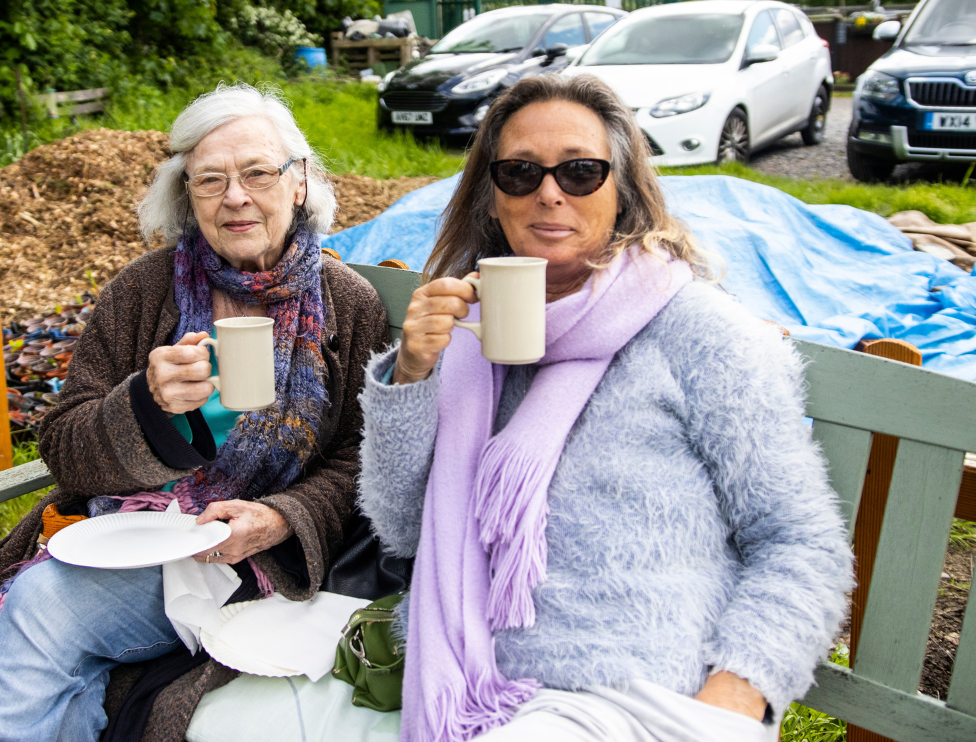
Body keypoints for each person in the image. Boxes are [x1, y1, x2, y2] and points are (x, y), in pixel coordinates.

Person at [357, 73, 853, 742]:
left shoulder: (701, 334)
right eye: (520, 172)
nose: (549, 193)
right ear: (490, 195)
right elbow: (405, 532)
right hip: (477, 681)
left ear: (622, 191)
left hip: (638, 693)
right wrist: (412, 373)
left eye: (582, 172)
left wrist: (736, 693)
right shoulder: (466, 335)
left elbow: (801, 541)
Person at [0, 83, 389, 742]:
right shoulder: (144, 291)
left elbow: (362, 459)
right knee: (54, 668)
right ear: (188, 196)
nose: (235, 196)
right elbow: (62, 442)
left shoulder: (348, 306)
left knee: (42, 609)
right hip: (124, 537)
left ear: (299, 183)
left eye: (258, 173)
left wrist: (278, 517)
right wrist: (143, 408)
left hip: (239, 561)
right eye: (211, 180)